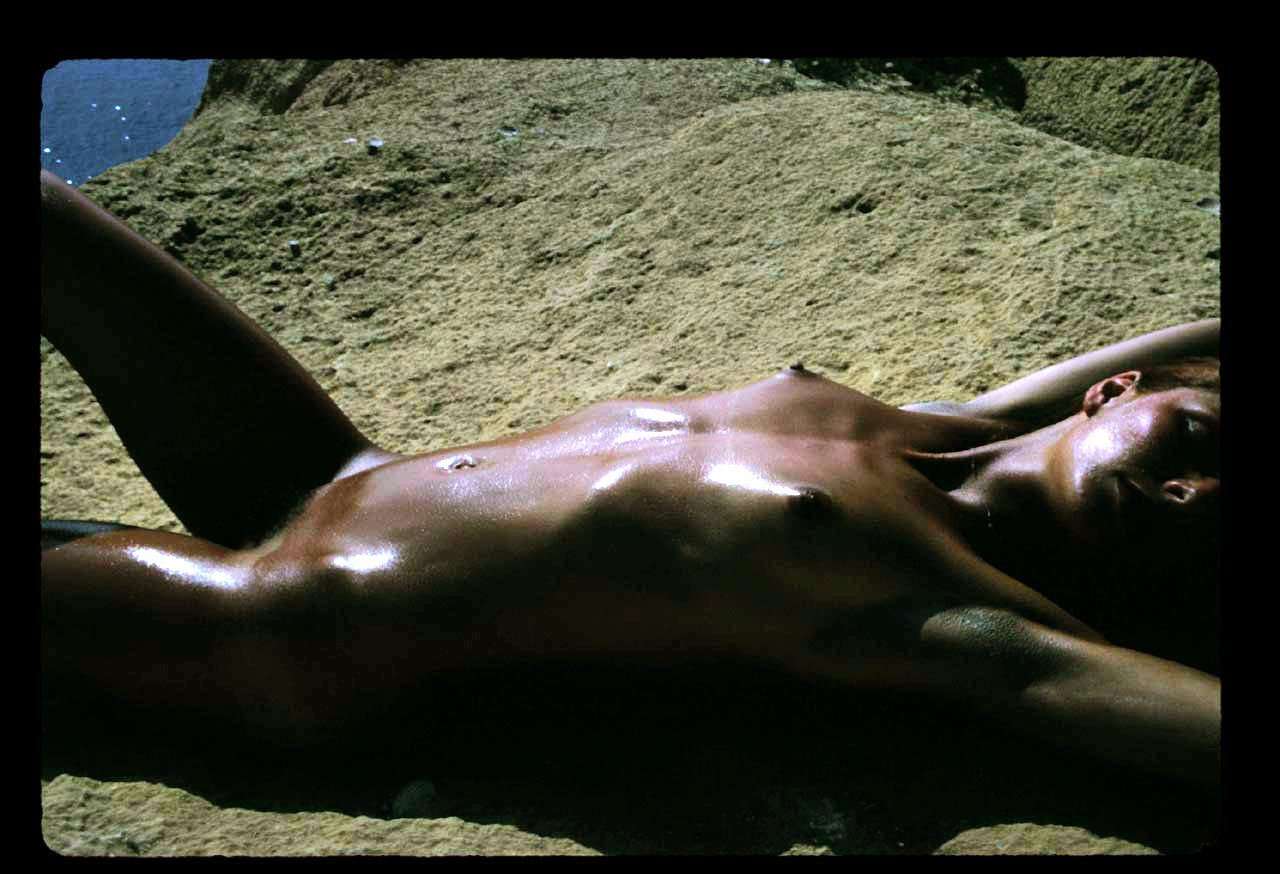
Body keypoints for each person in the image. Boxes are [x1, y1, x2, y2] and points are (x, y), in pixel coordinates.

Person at [40, 170, 1221, 788]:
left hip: (289, 624)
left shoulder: (951, 608)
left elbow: (1112, 699)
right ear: (1115, 388)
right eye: (1203, 439)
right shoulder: (942, 424)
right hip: (332, 472)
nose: (1197, 492)